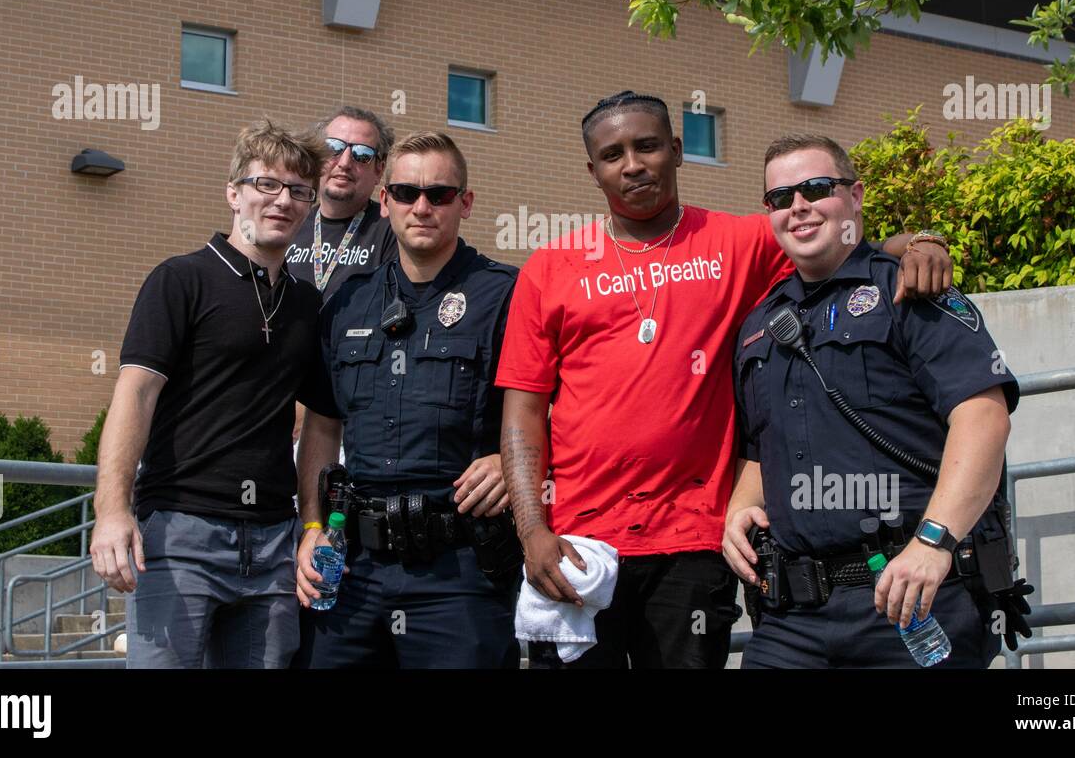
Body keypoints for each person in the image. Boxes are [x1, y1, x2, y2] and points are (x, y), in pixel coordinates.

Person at [497, 91, 956, 669]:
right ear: (593, 171)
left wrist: (917, 245)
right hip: (577, 545)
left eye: (647, 145)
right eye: (613, 154)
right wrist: (532, 531)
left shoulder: (739, 242)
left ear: (678, 151)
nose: (633, 163)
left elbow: (840, 247)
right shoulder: (549, 269)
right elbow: (523, 412)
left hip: (693, 544)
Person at [725, 133, 1019, 668]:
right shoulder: (757, 327)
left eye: (817, 187)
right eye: (780, 196)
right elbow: (757, 447)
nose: (799, 206)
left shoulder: (911, 292)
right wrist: (741, 505)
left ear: (855, 197)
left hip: (911, 599)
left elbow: (984, 419)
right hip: (792, 618)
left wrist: (933, 543)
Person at [89, 117, 337, 668]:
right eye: (265, 185)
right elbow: (135, 396)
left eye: (299, 191)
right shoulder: (181, 280)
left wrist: (313, 525)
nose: (283, 201)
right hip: (181, 535)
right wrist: (111, 510)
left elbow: (322, 421)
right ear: (233, 193)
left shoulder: (307, 304)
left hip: (274, 543)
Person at [291, 132, 521, 668]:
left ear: (465, 203)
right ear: (385, 201)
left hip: (459, 568)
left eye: (440, 194)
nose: (422, 207)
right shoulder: (346, 301)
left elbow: (550, 408)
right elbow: (322, 427)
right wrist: (311, 528)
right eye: (406, 192)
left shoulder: (507, 295)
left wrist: (512, 460)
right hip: (353, 568)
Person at [286, 107, 397, 446]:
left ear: (379, 170)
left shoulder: (392, 231)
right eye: (334, 147)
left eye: (362, 154)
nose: (345, 162)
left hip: (353, 419)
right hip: (278, 412)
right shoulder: (287, 217)